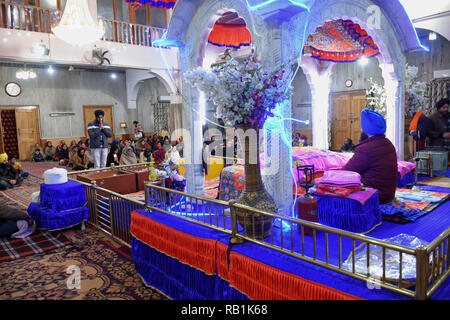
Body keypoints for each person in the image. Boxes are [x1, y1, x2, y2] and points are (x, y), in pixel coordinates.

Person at [342, 109, 397, 204]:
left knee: (335, 186)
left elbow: (347, 172)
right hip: (389, 194)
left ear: (366, 129)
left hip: (376, 196)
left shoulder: (367, 148)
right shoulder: (388, 143)